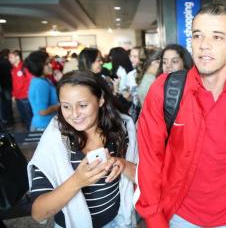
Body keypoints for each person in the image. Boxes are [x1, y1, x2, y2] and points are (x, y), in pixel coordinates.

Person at [135, 3, 226, 228]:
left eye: (217, 37)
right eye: (197, 35)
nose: (204, 45)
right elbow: (149, 160)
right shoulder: (166, 90)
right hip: (176, 215)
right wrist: (155, 220)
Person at [28, 70, 138, 228]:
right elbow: (38, 213)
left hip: (117, 221)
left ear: (100, 100)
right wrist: (77, 181)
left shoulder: (121, 130)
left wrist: (123, 164)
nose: (74, 114)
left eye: (83, 105)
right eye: (66, 106)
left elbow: (142, 176)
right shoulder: (56, 141)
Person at [24, 51, 59, 131]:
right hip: (43, 126)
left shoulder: (43, 80)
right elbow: (43, 111)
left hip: (46, 124)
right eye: (47, 64)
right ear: (38, 66)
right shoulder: (41, 83)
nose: (50, 65)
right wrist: (62, 106)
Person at [8, 49, 33, 130]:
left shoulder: (24, 68)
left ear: (17, 57)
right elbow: (14, 84)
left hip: (25, 97)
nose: (9, 59)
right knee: (23, 116)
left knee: (29, 117)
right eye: (9, 57)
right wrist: (13, 95)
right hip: (18, 98)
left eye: (11, 57)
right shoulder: (13, 70)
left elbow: (31, 80)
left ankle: (32, 135)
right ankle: (28, 132)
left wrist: (29, 92)